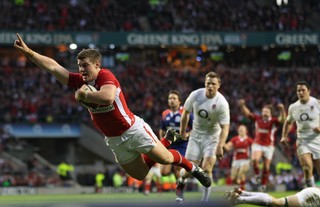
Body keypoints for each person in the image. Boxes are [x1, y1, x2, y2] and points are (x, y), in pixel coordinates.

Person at [13, 34, 211, 188]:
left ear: (97, 65)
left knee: (166, 158)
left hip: (132, 129)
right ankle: (167, 139)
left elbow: (107, 97)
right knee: (140, 175)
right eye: (79, 66)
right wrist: (30, 53)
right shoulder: (80, 82)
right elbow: (54, 68)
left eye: (85, 65)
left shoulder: (106, 76)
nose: (81, 69)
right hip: (114, 139)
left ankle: (193, 168)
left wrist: (84, 96)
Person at [176, 71, 230, 203]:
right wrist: (182, 132)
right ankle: (181, 182)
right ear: (205, 84)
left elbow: (225, 127)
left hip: (212, 138)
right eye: (208, 83)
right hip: (195, 136)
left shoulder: (222, 103)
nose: (210, 86)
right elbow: (185, 113)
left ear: (219, 85)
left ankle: (205, 201)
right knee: (187, 171)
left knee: (207, 169)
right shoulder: (196, 95)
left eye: (213, 84)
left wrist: (220, 146)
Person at [238, 99, 286, 191]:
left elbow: (283, 120)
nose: (264, 112)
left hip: (269, 146)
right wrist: (242, 106)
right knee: (255, 160)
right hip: (257, 144)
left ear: (270, 113)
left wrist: (282, 110)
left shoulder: (274, 121)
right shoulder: (257, 119)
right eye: (263, 111)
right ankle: (256, 175)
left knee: (266, 167)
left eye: (266, 111)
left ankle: (263, 185)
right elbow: (248, 114)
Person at [281, 81, 320, 188]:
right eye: (298, 90)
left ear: (309, 91)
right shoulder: (293, 107)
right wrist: (284, 135)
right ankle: (312, 194)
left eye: (303, 90)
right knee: (307, 168)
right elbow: (288, 122)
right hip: (303, 141)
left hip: (318, 140)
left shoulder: (317, 103)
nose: (300, 92)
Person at [159, 90, 191, 180]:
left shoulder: (185, 113)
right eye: (170, 98)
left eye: (174, 98)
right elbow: (162, 129)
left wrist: (186, 134)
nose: (171, 100)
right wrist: (163, 142)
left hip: (182, 144)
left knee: (178, 167)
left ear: (179, 101)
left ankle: (180, 188)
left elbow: (195, 127)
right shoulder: (165, 114)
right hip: (170, 144)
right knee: (163, 172)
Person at [223, 124, 254, 190]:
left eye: (242, 129)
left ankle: (243, 191)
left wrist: (252, 159)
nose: (241, 130)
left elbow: (254, 149)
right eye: (240, 129)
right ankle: (238, 190)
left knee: (241, 174)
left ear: (246, 131)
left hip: (245, 160)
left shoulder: (249, 140)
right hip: (236, 160)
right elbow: (228, 147)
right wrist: (221, 142)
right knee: (233, 178)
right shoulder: (235, 139)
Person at [224, 186, 320, 206]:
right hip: (314, 197)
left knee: (276, 202)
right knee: (277, 203)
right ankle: (239, 199)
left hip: (313, 192)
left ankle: (242, 193)